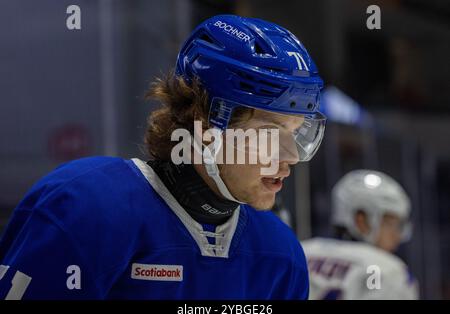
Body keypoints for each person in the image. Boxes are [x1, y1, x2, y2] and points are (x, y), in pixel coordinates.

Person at [0, 15, 326, 299]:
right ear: (205, 124)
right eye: (269, 134)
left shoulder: (281, 255)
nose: (290, 156)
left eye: (297, 134)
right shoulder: (85, 208)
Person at [302, 170, 419, 299]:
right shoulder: (388, 271)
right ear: (362, 221)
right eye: (393, 224)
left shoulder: (300, 252)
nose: (398, 236)